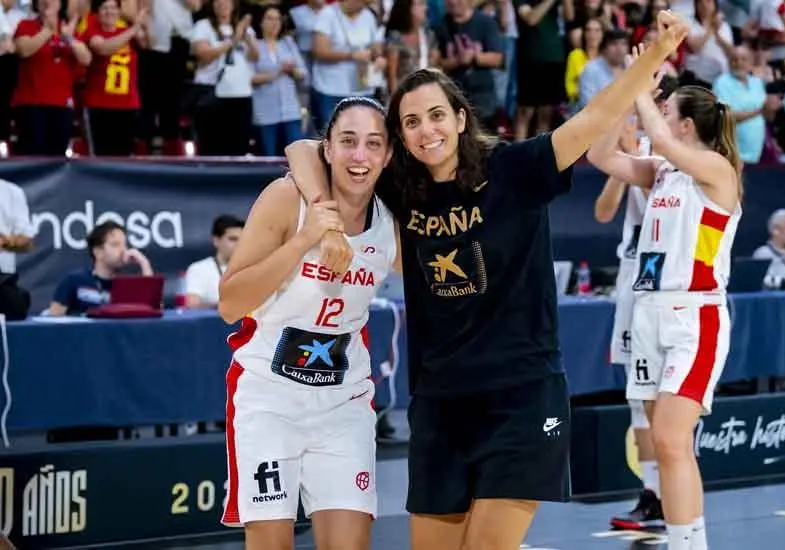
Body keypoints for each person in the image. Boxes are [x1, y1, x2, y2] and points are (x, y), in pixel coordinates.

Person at [285, 12, 689, 550]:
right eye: (410, 122)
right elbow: (302, 152)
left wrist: (656, 54)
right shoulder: (401, 191)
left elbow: (591, 121)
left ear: (458, 117)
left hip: (520, 396)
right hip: (440, 402)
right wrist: (322, 211)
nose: (425, 130)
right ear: (400, 137)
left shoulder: (515, 169)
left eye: (435, 116)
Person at [217, 97, 398, 550]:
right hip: (268, 398)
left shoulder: (392, 218)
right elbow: (229, 303)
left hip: (343, 403)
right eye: (348, 142)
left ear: (389, 155)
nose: (360, 156)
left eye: (373, 144)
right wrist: (305, 240)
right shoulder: (286, 199)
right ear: (328, 149)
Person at [586, 46, 743, 550]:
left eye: (668, 109)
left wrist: (639, 82)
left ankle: (690, 545)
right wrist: (625, 101)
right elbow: (601, 156)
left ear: (686, 126)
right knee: (668, 448)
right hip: (650, 312)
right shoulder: (663, 171)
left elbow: (654, 134)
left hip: (694, 315)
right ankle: (684, 540)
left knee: (674, 441)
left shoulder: (717, 171)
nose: (661, 113)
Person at [595, 74, 677, 532]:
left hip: (664, 278)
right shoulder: (636, 147)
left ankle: (669, 491)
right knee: (637, 394)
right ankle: (651, 494)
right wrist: (623, 160)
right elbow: (604, 212)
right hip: (631, 277)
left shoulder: (675, 153)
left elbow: (663, 200)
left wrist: (637, 152)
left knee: (664, 394)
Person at [47, 221, 154, 316]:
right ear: (98, 252)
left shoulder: (127, 285)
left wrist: (144, 262)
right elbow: (53, 322)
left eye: (124, 245)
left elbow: (151, 311)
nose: (123, 250)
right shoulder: (74, 280)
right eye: (115, 245)